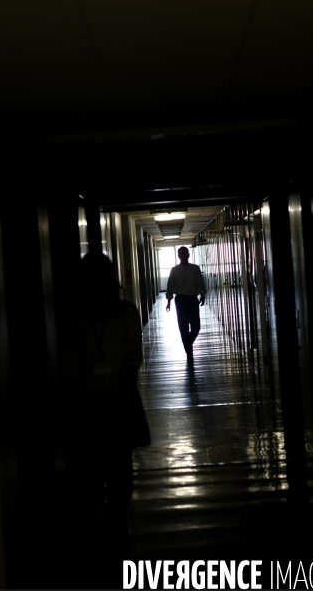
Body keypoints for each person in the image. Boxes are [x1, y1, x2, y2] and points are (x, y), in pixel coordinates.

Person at [61, 251, 150, 587]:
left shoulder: (77, 316)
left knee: (99, 463)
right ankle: (113, 517)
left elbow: (70, 365)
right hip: (114, 397)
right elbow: (133, 357)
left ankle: (106, 521)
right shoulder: (122, 312)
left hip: (92, 399)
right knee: (117, 461)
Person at [166, 246, 207, 361]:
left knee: (196, 327)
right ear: (178, 256)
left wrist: (202, 295)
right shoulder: (174, 270)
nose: (184, 256)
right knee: (183, 327)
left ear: (188, 255)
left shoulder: (195, 268)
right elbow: (170, 287)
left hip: (193, 300)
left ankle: (188, 344)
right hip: (180, 301)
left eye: (186, 254)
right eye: (181, 254)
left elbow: (200, 282)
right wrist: (168, 302)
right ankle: (189, 352)